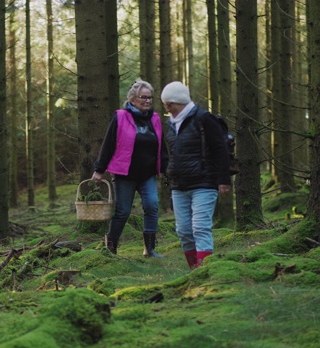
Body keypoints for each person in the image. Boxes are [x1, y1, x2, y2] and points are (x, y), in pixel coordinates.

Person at [92, 79, 167, 257]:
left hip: (147, 174)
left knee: (152, 206)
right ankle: (111, 248)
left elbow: (161, 147)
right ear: (133, 99)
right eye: (144, 97)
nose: (148, 101)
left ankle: (149, 249)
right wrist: (99, 169)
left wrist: (166, 168)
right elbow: (108, 144)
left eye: (150, 98)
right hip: (124, 173)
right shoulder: (120, 116)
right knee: (123, 211)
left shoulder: (155, 119)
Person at [160, 81, 231, 269]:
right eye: (166, 105)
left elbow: (220, 149)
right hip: (179, 185)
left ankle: (205, 268)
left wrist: (223, 179)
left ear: (180, 101)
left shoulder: (204, 118)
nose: (167, 109)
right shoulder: (172, 125)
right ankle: (194, 269)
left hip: (204, 182)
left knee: (200, 227)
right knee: (183, 230)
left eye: (170, 104)